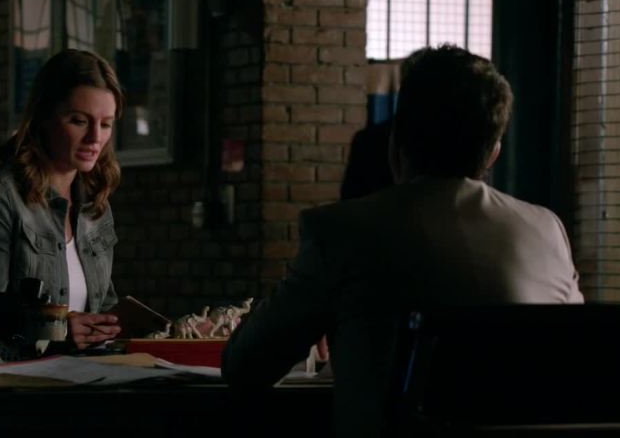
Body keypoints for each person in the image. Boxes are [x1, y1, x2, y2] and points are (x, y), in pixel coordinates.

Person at [221, 45, 584, 437]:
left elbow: (245, 367)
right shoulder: (545, 231)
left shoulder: (343, 232)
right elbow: (575, 363)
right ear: (493, 154)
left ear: (396, 143)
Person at [0, 49, 123, 349]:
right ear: (44, 116)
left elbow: (105, 306)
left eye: (106, 124)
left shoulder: (95, 205)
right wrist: (57, 329)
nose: (95, 138)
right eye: (79, 121)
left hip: (88, 369)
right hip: (18, 373)